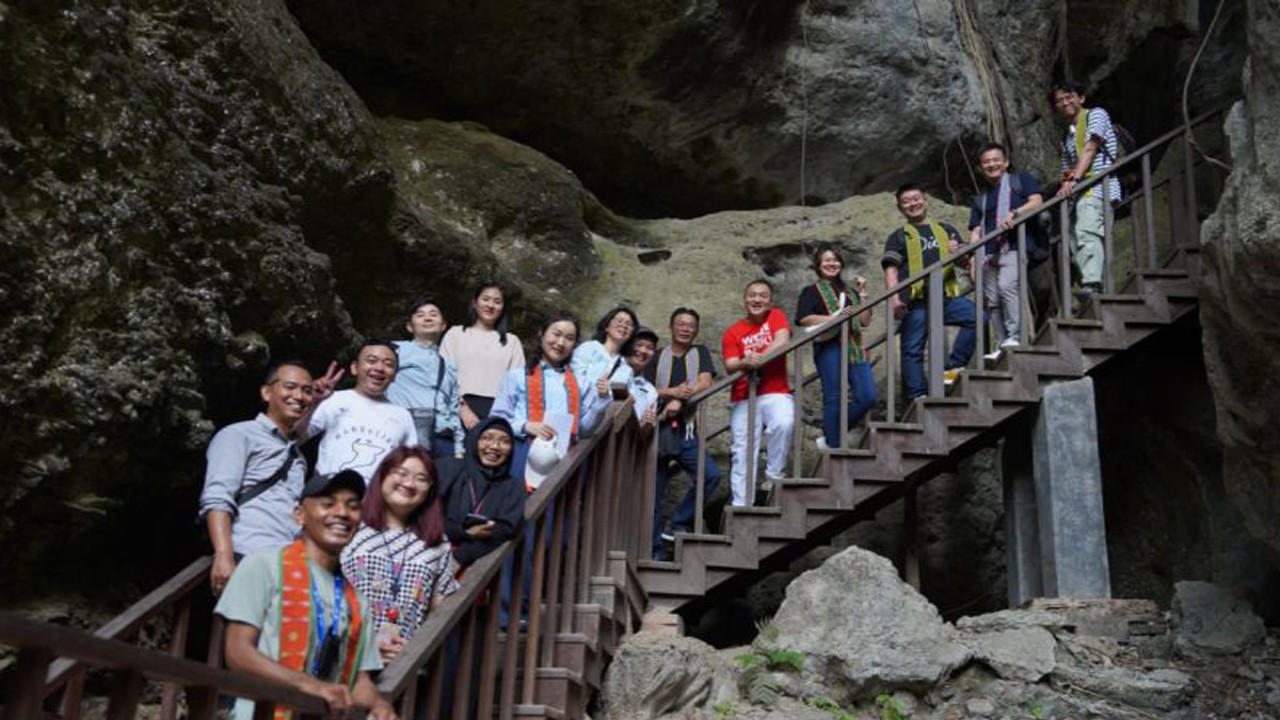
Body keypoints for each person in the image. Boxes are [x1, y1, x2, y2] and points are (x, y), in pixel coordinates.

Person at [215, 469, 397, 720]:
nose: (342, 513)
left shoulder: (357, 600)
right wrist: (307, 684)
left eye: (353, 506)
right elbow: (237, 652)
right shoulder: (263, 565)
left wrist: (378, 704)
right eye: (328, 504)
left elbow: (359, 679)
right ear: (299, 515)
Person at [200, 361, 323, 596]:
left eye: (307, 391)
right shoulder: (238, 435)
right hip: (246, 557)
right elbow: (218, 496)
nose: (299, 396)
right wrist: (224, 556)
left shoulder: (297, 455)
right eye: (290, 387)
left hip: (287, 565)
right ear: (267, 392)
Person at [340, 447, 458, 664]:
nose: (410, 484)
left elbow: (440, 609)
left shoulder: (437, 544)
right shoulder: (351, 527)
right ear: (382, 475)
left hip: (404, 665)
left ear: (430, 490)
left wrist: (418, 649)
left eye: (421, 478)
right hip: (346, 657)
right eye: (401, 473)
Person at [882, 183, 978, 401]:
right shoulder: (898, 237)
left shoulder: (946, 229)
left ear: (926, 201)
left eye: (916, 199)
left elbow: (965, 262)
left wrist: (960, 252)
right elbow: (891, 269)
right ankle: (918, 395)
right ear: (900, 208)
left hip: (944, 297)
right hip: (915, 301)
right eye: (906, 202)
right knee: (912, 349)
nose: (912, 204)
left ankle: (953, 367)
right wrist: (894, 299)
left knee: (977, 316)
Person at [492, 313, 608, 488]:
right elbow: (497, 419)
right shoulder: (516, 377)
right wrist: (526, 426)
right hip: (522, 450)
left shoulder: (581, 383)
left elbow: (583, 430)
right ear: (542, 334)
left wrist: (602, 399)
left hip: (563, 457)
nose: (561, 343)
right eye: (556, 334)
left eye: (569, 338)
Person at [645, 308, 723, 558]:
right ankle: (655, 551)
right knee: (654, 496)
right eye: (681, 323)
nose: (686, 328)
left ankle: (678, 521)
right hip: (658, 429)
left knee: (710, 475)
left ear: (696, 330)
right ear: (671, 327)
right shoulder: (657, 356)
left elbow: (705, 382)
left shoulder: (699, 353)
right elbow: (646, 389)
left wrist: (682, 397)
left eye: (691, 325)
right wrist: (671, 394)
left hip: (686, 430)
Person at [795, 245, 878, 450]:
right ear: (818, 265)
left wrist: (863, 295)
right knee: (834, 395)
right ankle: (834, 444)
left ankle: (832, 436)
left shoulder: (850, 292)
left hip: (854, 345)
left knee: (868, 396)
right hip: (828, 345)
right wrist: (834, 318)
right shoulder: (811, 291)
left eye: (835, 260)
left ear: (841, 264)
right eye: (826, 260)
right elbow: (804, 319)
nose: (832, 264)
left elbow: (865, 321)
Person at [721, 279, 795, 506]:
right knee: (742, 450)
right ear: (745, 300)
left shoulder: (776, 316)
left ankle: (773, 477)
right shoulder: (733, 332)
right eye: (752, 295)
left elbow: (782, 340)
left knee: (784, 422)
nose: (757, 299)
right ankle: (742, 504)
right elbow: (730, 364)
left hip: (774, 389)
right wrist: (745, 362)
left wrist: (758, 360)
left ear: (770, 301)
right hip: (743, 395)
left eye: (763, 295)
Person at [968, 143, 1045, 358]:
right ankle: (1002, 343)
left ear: (1006, 162)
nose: (991, 164)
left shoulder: (1020, 181)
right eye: (986, 162)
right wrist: (973, 259)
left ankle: (1016, 336)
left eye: (995, 160)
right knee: (991, 300)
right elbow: (976, 229)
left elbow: (1037, 202)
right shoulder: (980, 198)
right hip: (988, 253)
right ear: (980, 168)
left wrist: (1015, 213)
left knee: (1007, 286)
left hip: (1013, 246)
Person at [307, 340, 418, 483]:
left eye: (388, 364)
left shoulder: (403, 416)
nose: (379, 367)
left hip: (376, 501)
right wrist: (312, 403)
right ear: (355, 368)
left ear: (395, 375)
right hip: (330, 493)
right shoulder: (332, 400)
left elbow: (410, 463)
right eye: (372, 361)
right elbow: (296, 437)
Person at [1053, 80, 1122, 302]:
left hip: (1098, 186)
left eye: (1069, 97)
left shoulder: (1096, 115)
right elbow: (1066, 170)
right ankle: (1089, 282)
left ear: (1081, 98)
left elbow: (1091, 147)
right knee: (1074, 238)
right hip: (1081, 191)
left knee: (1087, 231)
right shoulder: (1067, 135)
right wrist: (1066, 184)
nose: (1065, 103)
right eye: (1060, 101)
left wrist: (1075, 179)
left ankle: (1093, 284)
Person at [437, 417, 527, 572]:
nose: (495, 446)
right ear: (474, 440)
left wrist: (460, 557)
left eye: (504, 441)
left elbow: (503, 530)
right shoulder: (448, 468)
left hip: (475, 568)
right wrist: (465, 532)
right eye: (487, 438)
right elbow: (426, 517)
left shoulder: (513, 486)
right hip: (429, 554)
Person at [387, 297, 464, 460]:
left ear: (443, 325)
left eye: (433, 314)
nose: (427, 318)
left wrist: (458, 448)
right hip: (403, 434)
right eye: (420, 315)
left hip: (441, 440)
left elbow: (454, 408)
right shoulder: (395, 351)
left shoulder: (449, 366)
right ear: (409, 326)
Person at [440, 282, 526, 429]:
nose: (490, 305)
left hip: (498, 413)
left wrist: (498, 419)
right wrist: (462, 409)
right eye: (485, 299)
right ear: (475, 302)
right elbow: (444, 376)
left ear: (503, 308)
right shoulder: (455, 334)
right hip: (458, 409)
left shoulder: (512, 342)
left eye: (497, 301)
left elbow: (517, 385)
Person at [570, 306, 639, 400]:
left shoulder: (626, 370)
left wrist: (607, 395)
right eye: (619, 321)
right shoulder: (589, 348)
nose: (624, 325)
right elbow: (572, 379)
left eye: (629, 324)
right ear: (607, 326)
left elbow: (628, 401)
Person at [621, 327, 660, 428]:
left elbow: (645, 432)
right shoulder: (610, 368)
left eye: (649, 348)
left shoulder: (650, 390)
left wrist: (647, 424)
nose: (643, 351)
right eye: (638, 345)